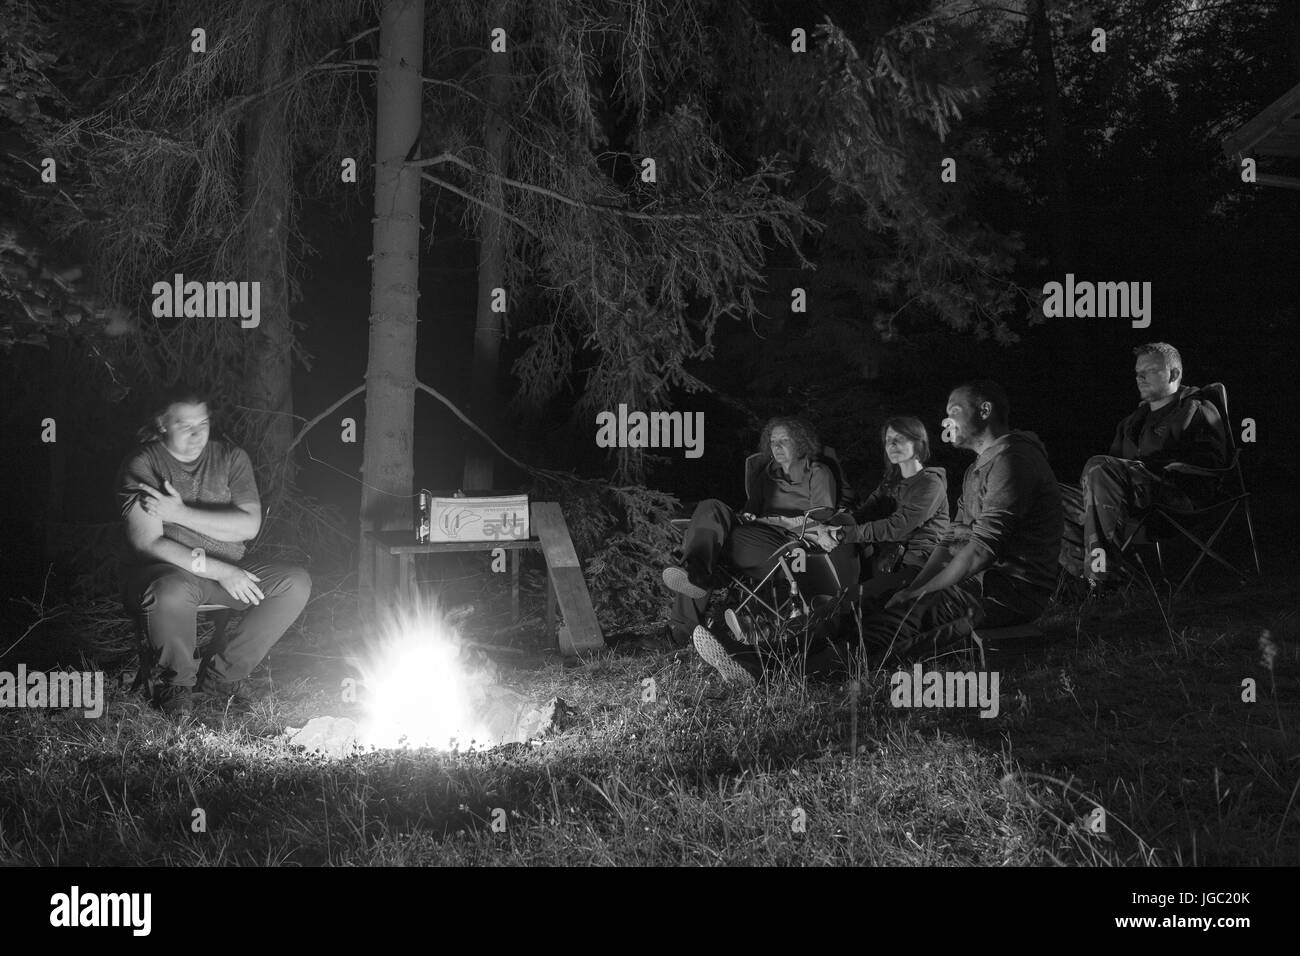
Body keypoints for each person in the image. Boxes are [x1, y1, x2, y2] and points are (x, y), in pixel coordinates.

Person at [693, 381, 1062, 684]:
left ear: (985, 411)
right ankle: (764, 653)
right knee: (863, 606)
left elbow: (981, 548)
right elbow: (952, 540)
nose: (946, 419)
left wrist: (921, 589)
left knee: (891, 627)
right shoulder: (978, 467)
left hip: (1005, 592)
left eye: (954, 410)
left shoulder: (1012, 462)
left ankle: (776, 675)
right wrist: (915, 585)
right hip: (969, 581)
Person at [116, 383, 311, 716]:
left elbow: (248, 526)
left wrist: (179, 514)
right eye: (185, 426)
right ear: (163, 424)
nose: (196, 435)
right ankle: (175, 687)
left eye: (203, 425)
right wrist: (222, 570)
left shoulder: (230, 458)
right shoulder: (144, 464)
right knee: (169, 592)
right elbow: (148, 542)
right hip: (172, 575)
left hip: (229, 570)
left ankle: (221, 680)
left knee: (294, 583)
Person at [662, 415, 855, 647]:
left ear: (801, 442)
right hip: (753, 535)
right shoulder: (766, 475)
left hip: (785, 544)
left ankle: (693, 585)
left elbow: (820, 518)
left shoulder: (818, 472)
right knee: (711, 512)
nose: (777, 446)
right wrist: (746, 516)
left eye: (784, 440)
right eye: (773, 442)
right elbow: (750, 511)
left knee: (706, 546)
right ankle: (685, 619)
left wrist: (772, 519)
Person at [1060, 343, 1228, 588]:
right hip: (1128, 501)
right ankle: (1094, 581)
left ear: (1173, 374)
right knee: (1046, 495)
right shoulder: (1131, 422)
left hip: (1177, 498)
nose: (1139, 377)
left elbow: (1213, 464)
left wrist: (1158, 468)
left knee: (1099, 467)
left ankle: (1104, 580)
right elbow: (1109, 474)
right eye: (1138, 371)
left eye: (1149, 370)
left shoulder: (1196, 409)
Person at [815, 416, 950, 602]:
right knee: (833, 596)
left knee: (846, 604)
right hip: (887, 561)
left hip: (917, 565)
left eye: (899, 439)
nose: (891, 445)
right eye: (888, 440)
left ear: (918, 442)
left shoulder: (930, 484)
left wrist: (841, 535)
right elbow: (863, 514)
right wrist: (826, 528)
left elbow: (896, 527)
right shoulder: (891, 482)